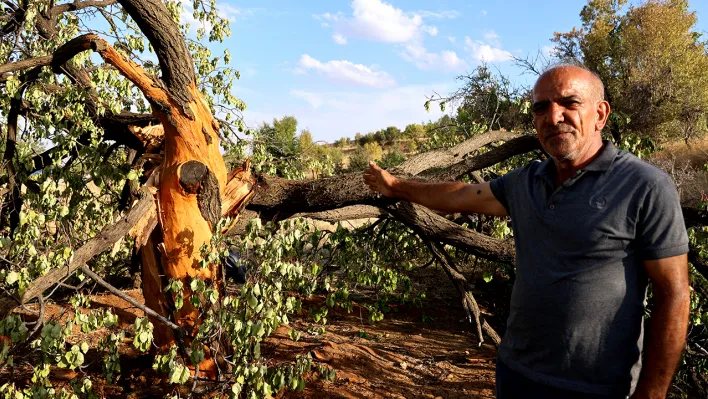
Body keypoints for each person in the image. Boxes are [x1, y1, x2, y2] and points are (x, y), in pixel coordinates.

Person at [363, 64, 690, 399]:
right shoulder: (525, 181)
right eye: (541, 107)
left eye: (569, 103)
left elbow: (674, 294)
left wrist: (652, 393)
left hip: (599, 387)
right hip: (517, 374)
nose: (553, 116)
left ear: (600, 114)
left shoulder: (644, 186)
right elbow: (460, 194)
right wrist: (396, 186)